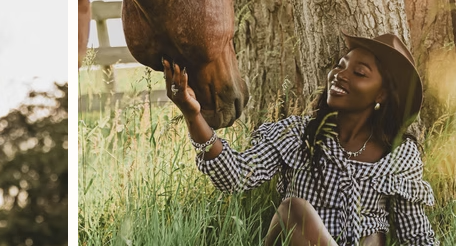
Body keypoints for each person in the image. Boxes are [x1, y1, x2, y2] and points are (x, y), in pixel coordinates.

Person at [165, 34, 437, 245]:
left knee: (372, 238)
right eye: (340, 66)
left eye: (359, 73)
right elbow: (236, 176)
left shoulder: (399, 155)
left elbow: (415, 236)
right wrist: (193, 115)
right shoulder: (296, 135)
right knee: (295, 212)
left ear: (381, 95)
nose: (340, 75)